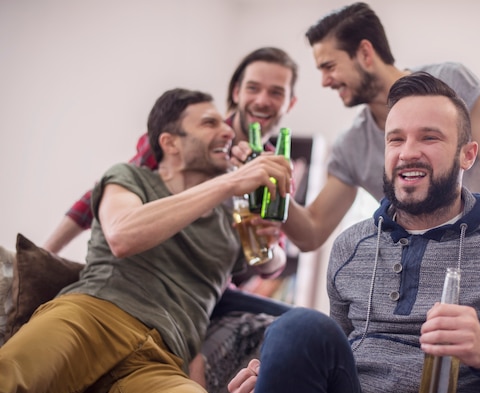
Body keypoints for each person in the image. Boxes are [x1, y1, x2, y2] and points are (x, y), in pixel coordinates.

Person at [227, 72, 480, 393]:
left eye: (429, 138)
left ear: (467, 155)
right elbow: (336, 357)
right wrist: (281, 384)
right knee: (296, 327)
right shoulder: (351, 246)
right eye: (396, 139)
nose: (408, 153)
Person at [0, 88, 292, 393]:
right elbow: (123, 234)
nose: (227, 130)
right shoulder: (129, 178)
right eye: (210, 123)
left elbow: (268, 264)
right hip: (93, 317)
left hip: (162, 357)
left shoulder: (229, 220)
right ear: (170, 143)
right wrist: (228, 184)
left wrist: (268, 239)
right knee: (9, 381)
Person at [245, 2, 480, 253]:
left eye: (329, 66)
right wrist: (269, 178)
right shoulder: (352, 144)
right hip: (426, 281)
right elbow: (312, 232)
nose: (325, 81)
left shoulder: (452, 81)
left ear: (365, 53)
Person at [43, 46, 298, 254]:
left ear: (290, 103)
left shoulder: (275, 166)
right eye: (253, 88)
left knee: (305, 319)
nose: (263, 100)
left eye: (276, 93)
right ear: (236, 92)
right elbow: (109, 191)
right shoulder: (184, 138)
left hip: (216, 283)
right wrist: (45, 255)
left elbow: (272, 255)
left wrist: (271, 242)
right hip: (158, 264)